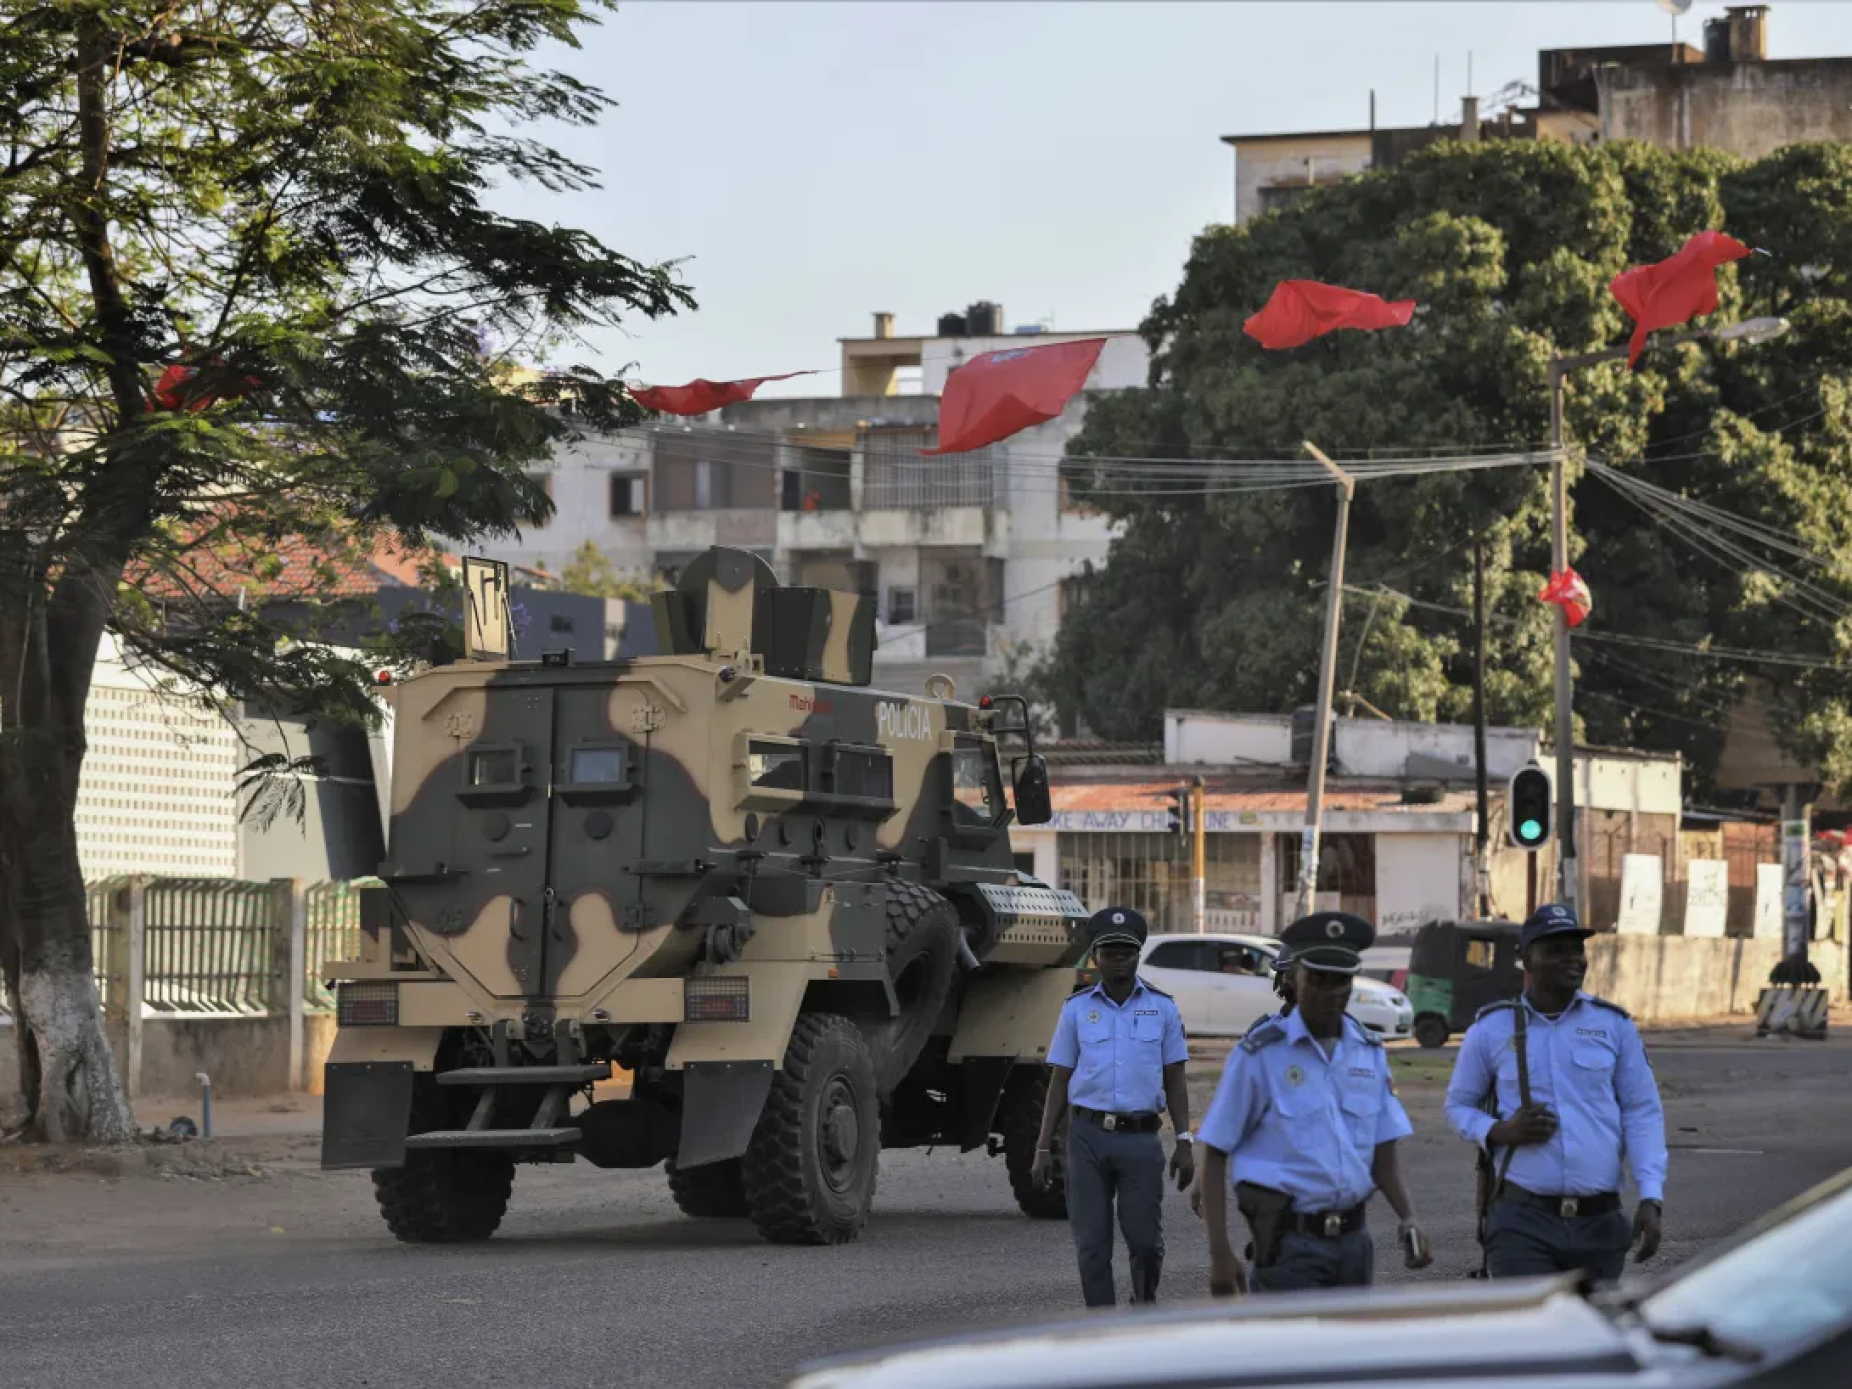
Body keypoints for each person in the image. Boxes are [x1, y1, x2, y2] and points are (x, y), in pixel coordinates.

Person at [1198, 911, 1431, 1295]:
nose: (1330, 990)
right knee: (1291, 1355)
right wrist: (1219, 1252)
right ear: (1294, 978)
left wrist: (1409, 1216)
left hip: (1354, 1244)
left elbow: (1383, 1153)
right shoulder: (1260, 1054)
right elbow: (1216, 1150)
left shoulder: (1368, 1053)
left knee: (1348, 1355)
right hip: (1289, 1247)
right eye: (1318, 978)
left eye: (1341, 979)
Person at [1444, 903, 1667, 1283]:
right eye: (1556, 950)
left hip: (1600, 1222)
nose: (1572, 960)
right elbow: (1458, 1106)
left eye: (1577, 949)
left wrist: (1651, 1196)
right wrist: (1500, 1131)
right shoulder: (1491, 1028)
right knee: (1531, 1337)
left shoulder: (1614, 1025)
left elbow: (1641, 1111)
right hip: (1522, 1223)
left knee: (1595, 1337)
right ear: (1525, 958)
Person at [1030, 906, 1194, 1307]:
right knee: (1091, 1243)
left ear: (1138, 955)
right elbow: (1060, 1079)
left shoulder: (1163, 1008)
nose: (1118, 958)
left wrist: (1185, 1139)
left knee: (1144, 1241)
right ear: (1095, 957)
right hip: (1086, 1138)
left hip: (1140, 1139)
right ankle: (1100, 1327)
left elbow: (1175, 1077)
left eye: (1127, 951)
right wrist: (1043, 1145)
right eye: (1110, 951)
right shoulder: (1076, 1010)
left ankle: (1143, 1307)